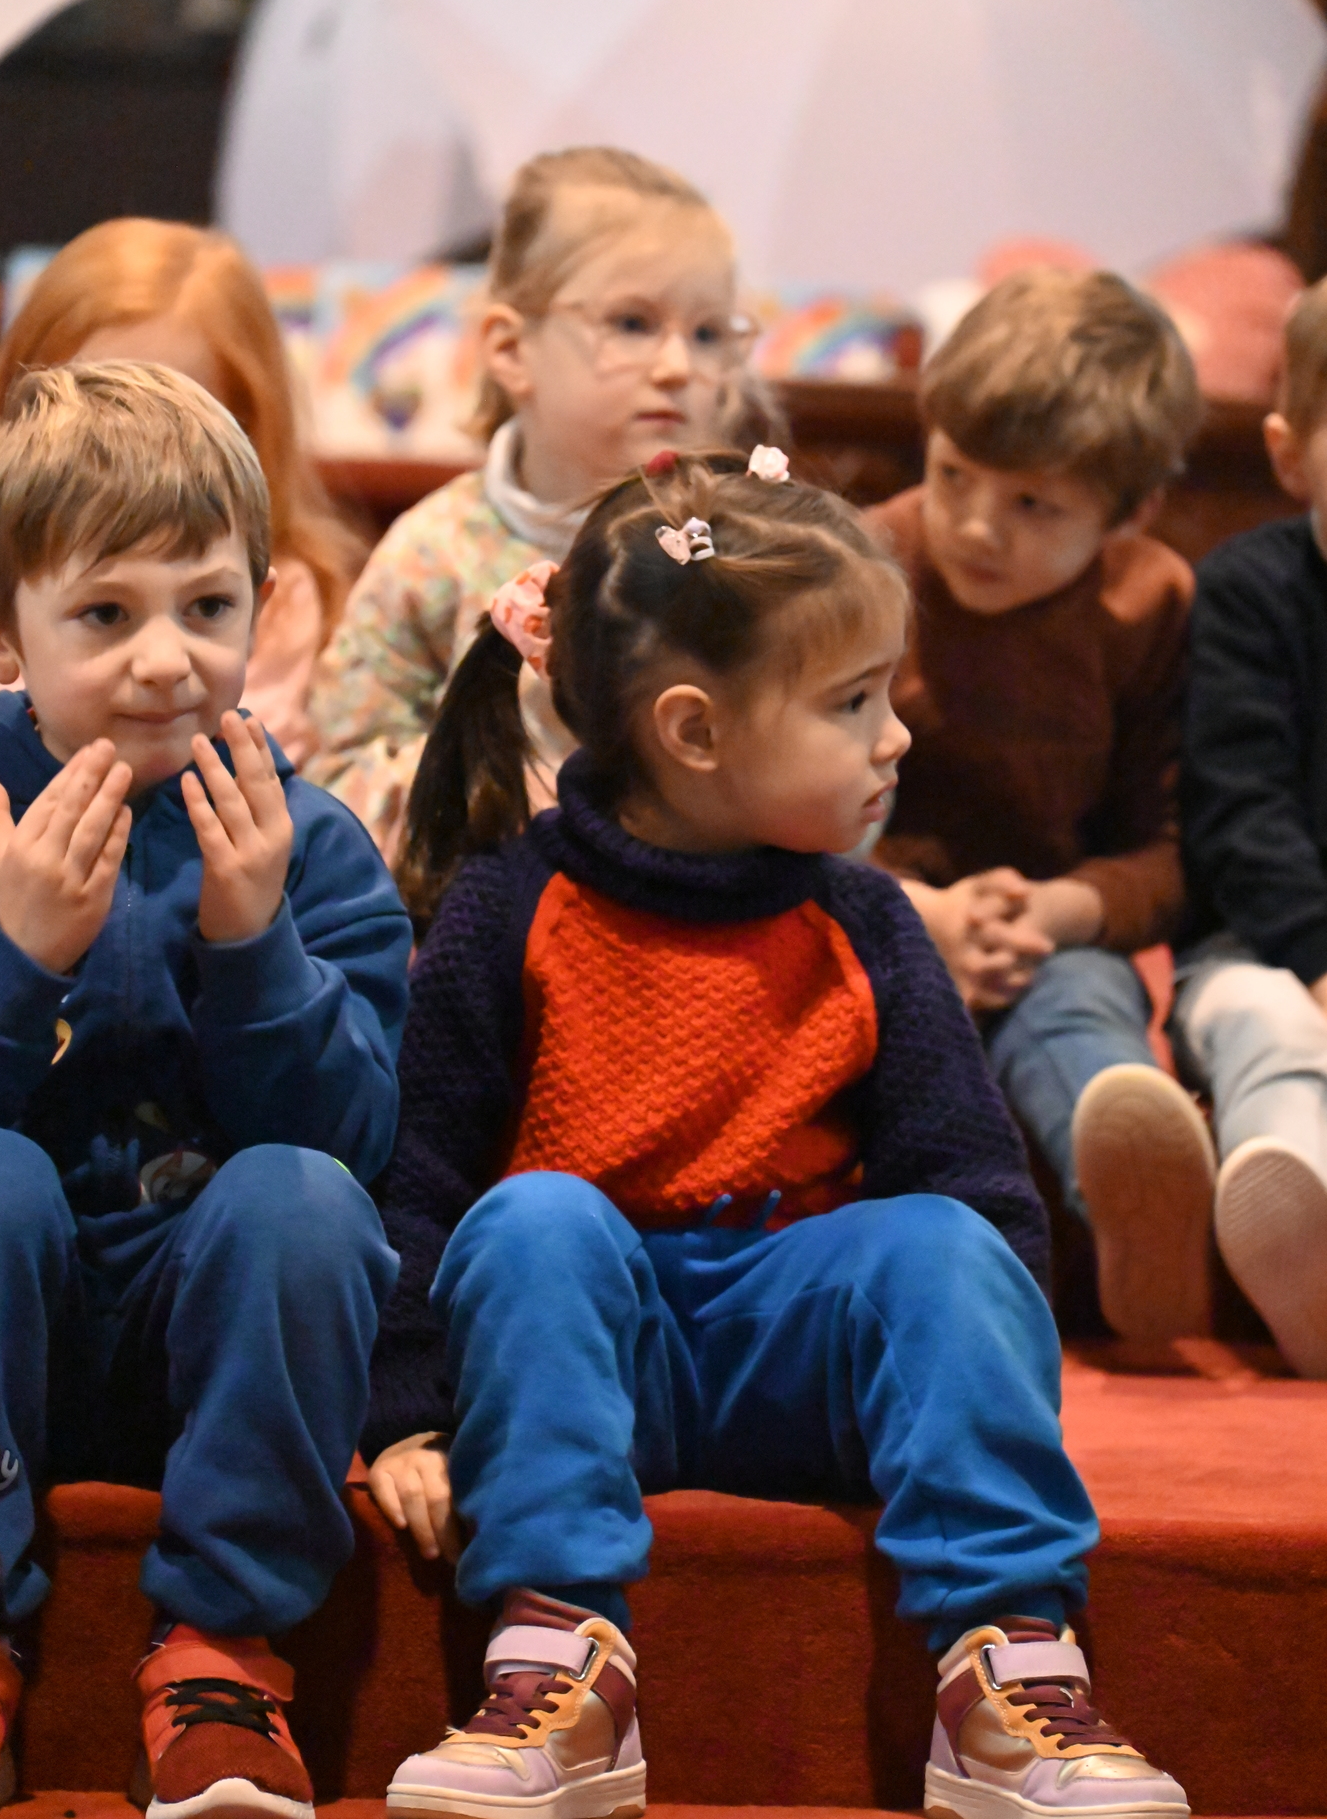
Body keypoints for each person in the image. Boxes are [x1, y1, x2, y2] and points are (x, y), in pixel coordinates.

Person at [365, 450, 1188, 1819]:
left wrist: (974, 1396)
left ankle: (1008, 1672)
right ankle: (559, 1665)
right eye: (852, 701)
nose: (895, 737)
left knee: (944, 1241)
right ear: (693, 731)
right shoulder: (506, 908)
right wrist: (405, 1415)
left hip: (799, 1360)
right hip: (581, 1366)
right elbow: (423, 1179)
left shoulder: (865, 922)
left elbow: (972, 1191)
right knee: (530, 1216)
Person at [0, 364, 410, 1818]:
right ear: (8, 631)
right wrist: (18, 959)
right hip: (19, 1337)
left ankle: (223, 1655)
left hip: (216, 1350)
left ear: (263, 605)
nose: (167, 659)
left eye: (207, 605)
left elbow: (354, 1147)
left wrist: (254, 944)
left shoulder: (310, 840)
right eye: (106, 615)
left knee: (299, 1199)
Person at [861, 268, 1212, 1348]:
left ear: (1129, 512)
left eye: (1032, 504)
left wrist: (1059, 911)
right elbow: (767, 806)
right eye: (953, 474)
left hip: (1045, 934)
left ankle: (1138, 1206)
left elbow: (1171, 846)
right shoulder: (855, 565)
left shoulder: (1150, 604)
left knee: (1082, 1005)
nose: (974, 525)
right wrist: (919, 914)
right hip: (860, 914)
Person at [305, 146, 764, 860]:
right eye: (632, 323)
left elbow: (834, 752)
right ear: (512, 349)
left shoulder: (745, 545)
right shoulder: (435, 553)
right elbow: (336, 783)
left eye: (707, 334)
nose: (679, 367)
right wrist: (503, 761)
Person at [0, 217, 366, 766]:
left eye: (209, 606)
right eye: (94, 413)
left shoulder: (283, 600)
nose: (140, 459)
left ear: (249, 427)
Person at [1174, 276, 1327, 1378]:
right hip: (1260, 947)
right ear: (1289, 455)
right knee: (1270, 1029)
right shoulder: (1249, 592)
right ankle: (1299, 1234)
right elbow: (1240, 808)